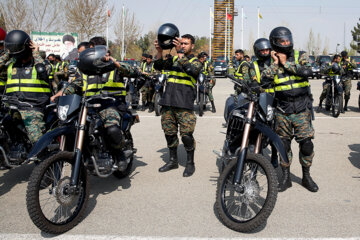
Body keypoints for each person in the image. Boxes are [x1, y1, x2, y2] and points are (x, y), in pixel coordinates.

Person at [51, 36, 139, 171]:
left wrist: (114, 62)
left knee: (111, 128)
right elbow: (74, 85)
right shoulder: (85, 70)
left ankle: (119, 153)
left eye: (91, 50)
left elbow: (133, 71)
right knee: (72, 126)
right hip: (89, 107)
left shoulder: (114, 66)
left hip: (112, 105)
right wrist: (58, 95)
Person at [262, 26, 318, 192]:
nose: (286, 43)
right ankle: (285, 177)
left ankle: (306, 176)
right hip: (282, 110)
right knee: (284, 146)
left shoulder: (300, 56)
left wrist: (286, 63)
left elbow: (307, 71)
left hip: (302, 108)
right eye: (282, 41)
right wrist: (276, 63)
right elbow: (265, 80)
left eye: (288, 39)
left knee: (307, 145)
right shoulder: (271, 61)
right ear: (275, 43)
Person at [154, 29, 202, 177]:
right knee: (169, 133)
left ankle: (190, 163)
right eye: (181, 43)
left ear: (192, 46)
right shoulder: (174, 59)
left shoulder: (196, 61)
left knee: (186, 135)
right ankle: (173, 161)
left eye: (186, 44)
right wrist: (159, 52)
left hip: (184, 104)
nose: (183, 46)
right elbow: (158, 66)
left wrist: (179, 53)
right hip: (168, 102)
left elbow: (192, 71)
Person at [1, 30, 50, 145]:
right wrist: (7, 54)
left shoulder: (40, 64)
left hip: (33, 108)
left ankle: (45, 159)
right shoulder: (11, 65)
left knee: (37, 141)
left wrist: (36, 53)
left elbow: (44, 72)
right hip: (13, 108)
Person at [248, 38, 278, 168]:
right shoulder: (253, 65)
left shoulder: (277, 63)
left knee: (275, 129)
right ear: (257, 51)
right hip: (261, 99)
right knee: (257, 128)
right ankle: (257, 155)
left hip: (276, 99)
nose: (265, 52)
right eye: (262, 50)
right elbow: (252, 82)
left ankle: (275, 155)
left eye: (267, 49)